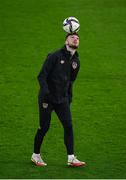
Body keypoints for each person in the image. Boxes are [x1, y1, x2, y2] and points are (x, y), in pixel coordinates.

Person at [31, 32, 85, 167]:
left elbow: (71, 81)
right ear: (66, 41)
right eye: (72, 37)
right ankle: (35, 155)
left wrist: (69, 98)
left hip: (62, 99)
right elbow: (41, 76)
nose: (76, 39)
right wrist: (46, 93)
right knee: (44, 127)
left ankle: (71, 158)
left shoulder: (76, 61)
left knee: (68, 125)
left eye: (78, 38)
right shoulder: (54, 56)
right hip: (47, 99)